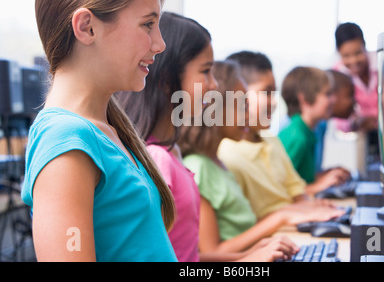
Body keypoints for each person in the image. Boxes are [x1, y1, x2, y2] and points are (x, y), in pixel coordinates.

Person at [21, 0, 177, 262]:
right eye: (147, 24)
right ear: (87, 27)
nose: (160, 44)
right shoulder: (65, 139)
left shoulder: (104, 130)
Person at [117, 13, 298, 262]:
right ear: (168, 80)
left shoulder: (172, 153)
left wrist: (248, 255)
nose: (214, 86)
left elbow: (189, 256)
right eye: (205, 72)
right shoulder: (158, 159)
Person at [218, 51, 345, 220]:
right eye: (266, 92)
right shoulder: (227, 154)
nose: (275, 101)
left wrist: (311, 207)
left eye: (274, 93)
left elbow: (295, 192)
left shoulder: (271, 139)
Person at [278, 66, 351, 194]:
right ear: (304, 98)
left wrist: (325, 176)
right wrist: (318, 186)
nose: (333, 99)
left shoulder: (308, 132)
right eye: (327, 94)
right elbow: (279, 190)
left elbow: (300, 180)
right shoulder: (296, 137)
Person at [333, 22, 378, 132]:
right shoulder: (338, 75)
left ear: (365, 45)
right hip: (362, 131)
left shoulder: (381, 62)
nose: (353, 60)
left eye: (358, 53)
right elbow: (340, 122)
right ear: (339, 53)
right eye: (346, 56)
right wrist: (358, 122)